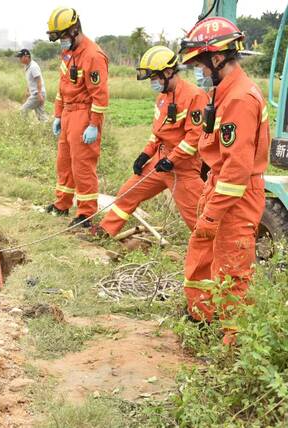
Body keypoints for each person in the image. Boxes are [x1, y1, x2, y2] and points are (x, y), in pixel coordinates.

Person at [178, 17, 269, 345]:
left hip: (235, 197)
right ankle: (200, 317)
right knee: (203, 254)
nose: (199, 72)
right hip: (219, 188)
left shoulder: (240, 98)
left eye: (201, 65)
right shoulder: (224, 92)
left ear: (217, 58)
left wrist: (213, 214)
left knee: (232, 269)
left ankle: (231, 348)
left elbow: (236, 171)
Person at [98, 46, 207, 237]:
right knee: (127, 193)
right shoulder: (161, 99)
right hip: (160, 161)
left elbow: (194, 138)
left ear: (168, 72)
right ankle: (104, 231)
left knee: (198, 217)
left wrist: (172, 160)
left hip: (183, 168)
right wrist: (145, 154)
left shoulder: (195, 96)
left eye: (155, 77)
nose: (153, 82)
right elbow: (157, 133)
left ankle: (213, 256)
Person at [45, 7, 109, 229]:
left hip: (84, 113)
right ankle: (62, 204)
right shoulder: (69, 53)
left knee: (82, 165)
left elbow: (100, 97)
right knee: (64, 161)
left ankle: (86, 213)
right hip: (68, 112)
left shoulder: (93, 56)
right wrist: (58, 114)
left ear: (74, 30)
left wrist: (93, 125)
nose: (61, 41)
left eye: (62, 36)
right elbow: (62, 87)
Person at [16, 49, 48, 122]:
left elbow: (39, 80)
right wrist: (28, 91)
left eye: (21, 57)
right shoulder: (28, 66)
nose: (19, 59)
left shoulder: (33, 67)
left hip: (37, 94)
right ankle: (47, 130)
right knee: (41, 115)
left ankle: (25, 126)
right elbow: (31, 81)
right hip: (37, 93)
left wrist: (39, 94)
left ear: (27, 56)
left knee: (22, 110)